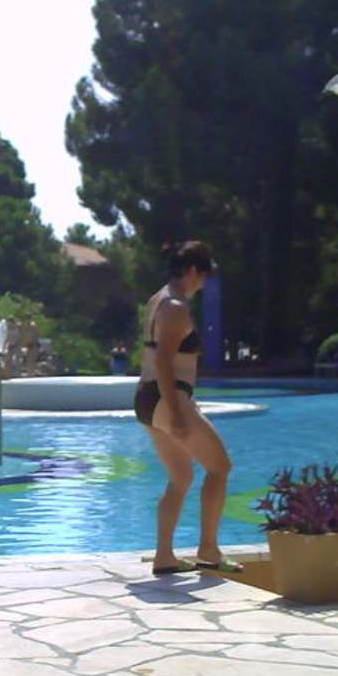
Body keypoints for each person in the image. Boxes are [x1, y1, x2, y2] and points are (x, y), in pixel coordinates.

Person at [133, 241, 238, 576]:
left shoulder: (158, 299)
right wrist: (177, 413)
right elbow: (164, 360)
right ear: (192, 270)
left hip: (148, 398)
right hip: (166, 398)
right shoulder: (176, 306)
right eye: (203, 275)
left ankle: (165, 556)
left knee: (181, 476)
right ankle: (209, 550)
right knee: (220, 467)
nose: (203, 283)